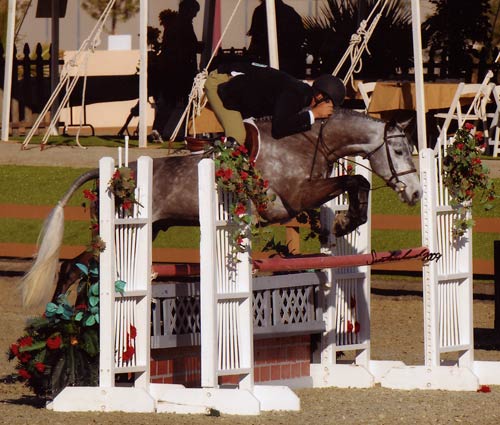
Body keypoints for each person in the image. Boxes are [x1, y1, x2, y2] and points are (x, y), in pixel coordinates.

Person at [204, 62, 346, 144]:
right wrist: (314, 114)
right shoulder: (295, 94)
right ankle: (215, 176)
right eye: (328, 103)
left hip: (241, 89)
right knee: (238, 136)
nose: (328, 109)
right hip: (221, 84)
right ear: (320, 95)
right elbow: (279, 128)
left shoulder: (301, 93)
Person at [247, 0, 306, 78]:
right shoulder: (289, 11)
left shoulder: (260, 11)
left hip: (272, 61)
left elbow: (256, 38)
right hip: (289, 62)